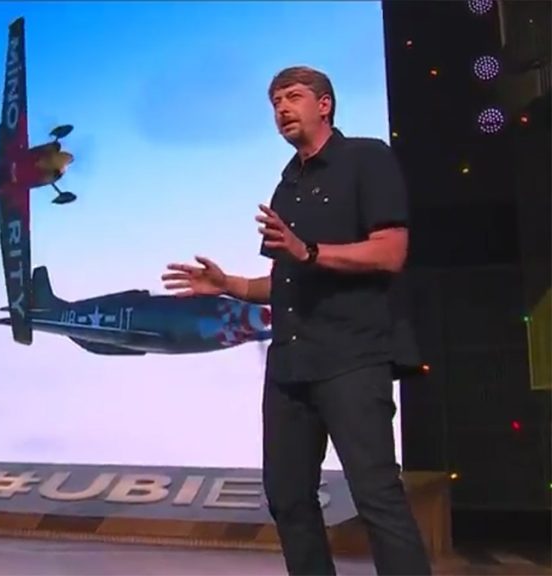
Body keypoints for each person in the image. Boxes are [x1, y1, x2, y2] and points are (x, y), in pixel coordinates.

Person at [161, 66, 431, 575]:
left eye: (293, 97)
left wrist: (309, 251)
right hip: (289, 364)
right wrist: (230, 284)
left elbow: (390, 252)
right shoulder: (287, 185)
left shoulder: (366, 158)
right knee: (287, 497)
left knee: (376, 495)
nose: (282, 108)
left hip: (352, 357)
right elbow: (285, 278)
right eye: (275, 102)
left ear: (324, 104)